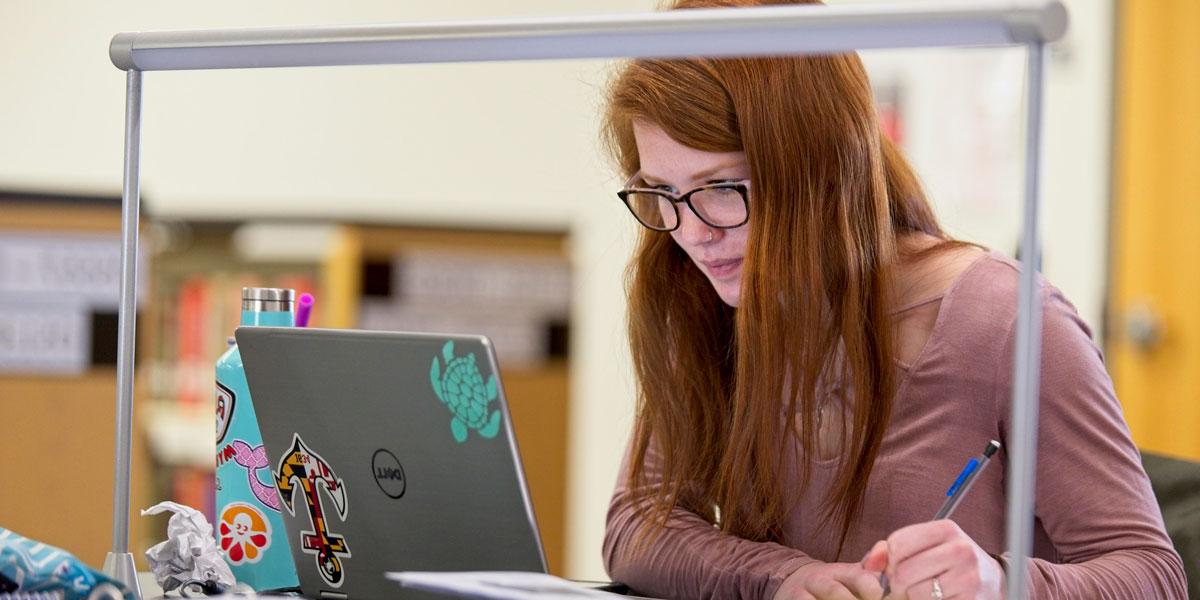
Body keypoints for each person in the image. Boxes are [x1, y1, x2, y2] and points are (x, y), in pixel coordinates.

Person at [598, 1, 1187, 598]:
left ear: (822, 175)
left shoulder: (1008, 321)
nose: (693, 233)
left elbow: (1152, 575)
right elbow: (639, 525)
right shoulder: (704, 297)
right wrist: (783, 579)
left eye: (722, 187)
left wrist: (997, 583)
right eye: (660, 190)